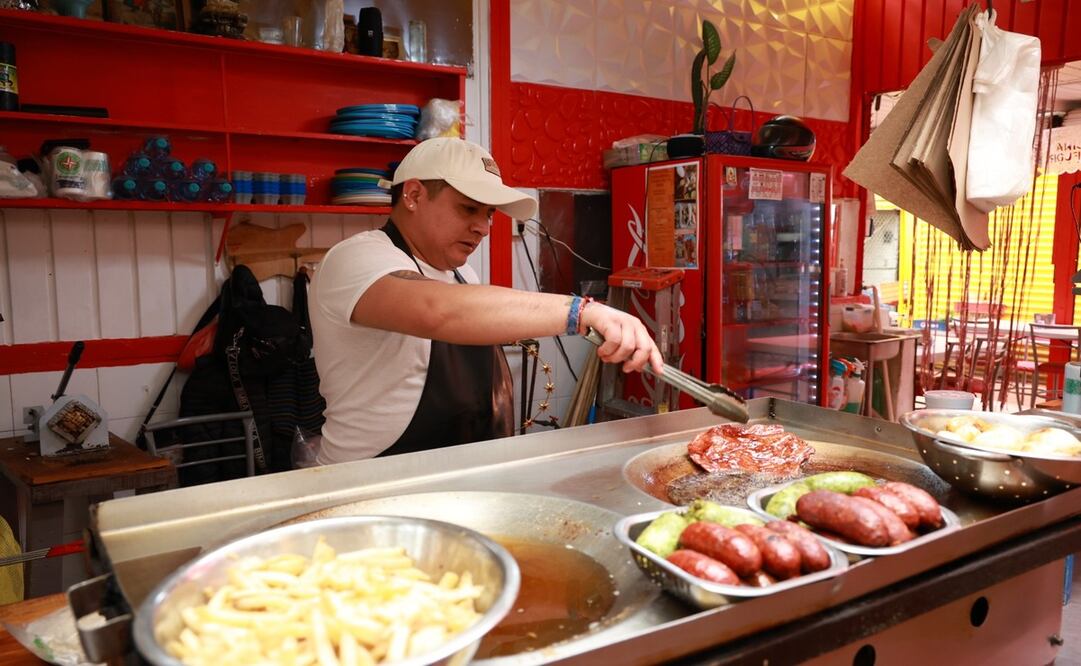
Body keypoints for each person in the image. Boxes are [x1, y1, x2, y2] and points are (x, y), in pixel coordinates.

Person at [309, 138, 662, 463]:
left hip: (453, 477)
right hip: (370, 483)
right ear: (414, 195)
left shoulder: (463, 276)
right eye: (468, 209)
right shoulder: (356, 259)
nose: (484, 227)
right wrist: (582, 311)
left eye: (489, 214)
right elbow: (439, 311)